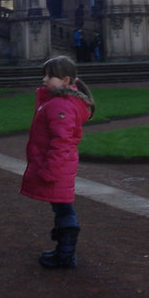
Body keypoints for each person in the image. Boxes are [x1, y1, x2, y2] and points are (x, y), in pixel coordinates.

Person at [20, 56, 95, 269]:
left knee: (64, 209)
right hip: (59, 166)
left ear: (65, 80)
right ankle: (64, 252)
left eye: (49, 76)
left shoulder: (60, 105)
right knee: (62, 208)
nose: (44, 80)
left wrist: (49, 171)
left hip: (56, 167)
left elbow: (61, 142)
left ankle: (65, 255)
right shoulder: (60, 102)